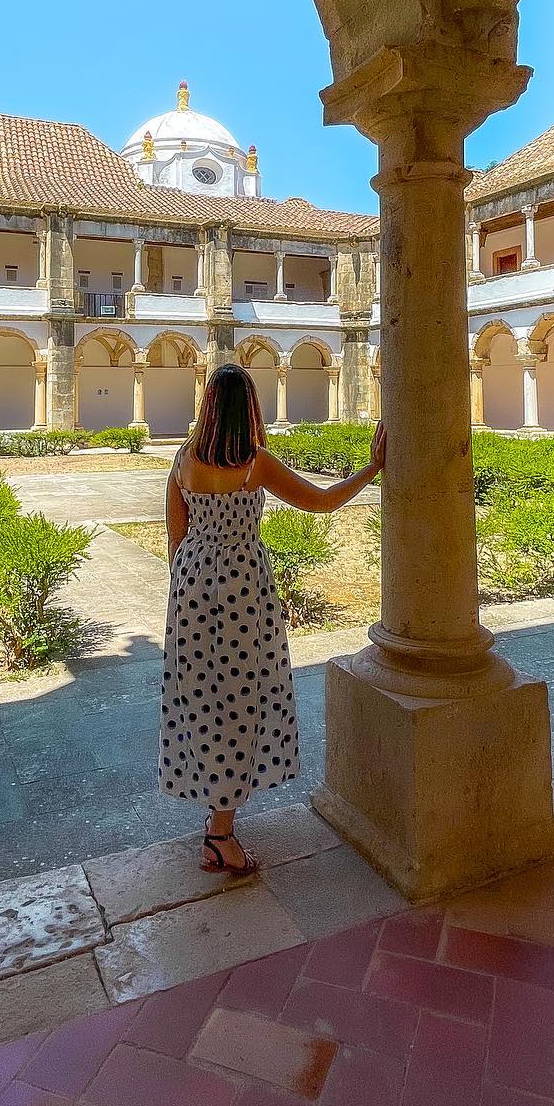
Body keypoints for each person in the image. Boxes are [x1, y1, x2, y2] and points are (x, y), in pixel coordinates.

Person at [160, 362, 386, 875]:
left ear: (209, 408)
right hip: (242, 589)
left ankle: (216, 817)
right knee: (239, 703)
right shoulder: (254, 464)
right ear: (251, 410)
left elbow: (175, 540)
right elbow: (323, 502)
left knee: (201, 700)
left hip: (192, 586)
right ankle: (220, 835)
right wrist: (373, 467)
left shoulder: (182, 461)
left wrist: (188, 592)